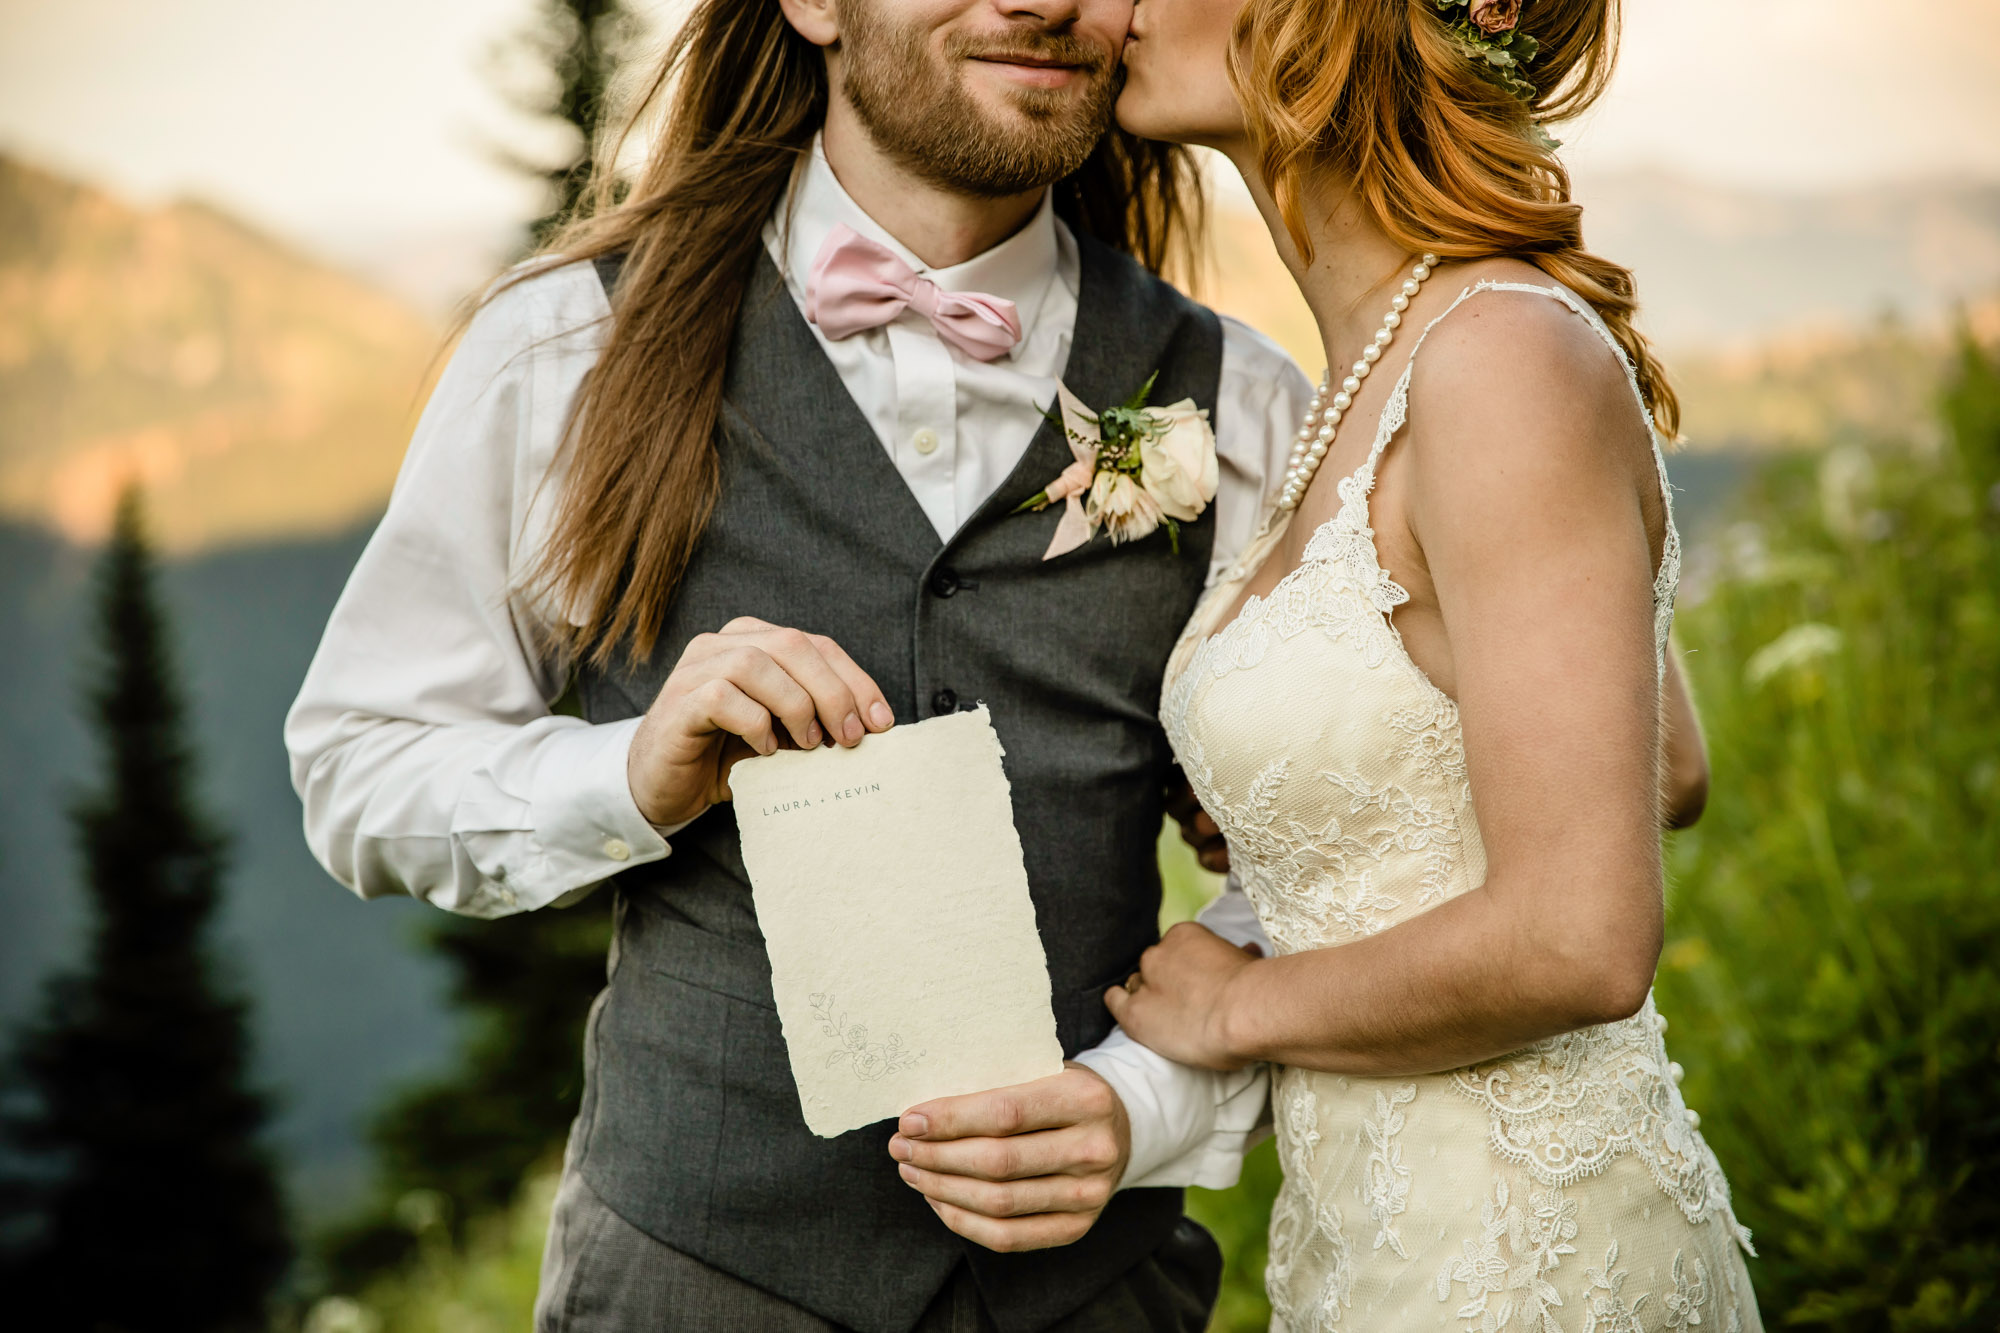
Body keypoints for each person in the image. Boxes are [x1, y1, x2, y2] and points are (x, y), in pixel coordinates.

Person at [284, 0, 1319, 1326]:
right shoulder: (568, 345)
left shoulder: (1241, 403)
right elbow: (358, 765)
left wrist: (1151, 1102)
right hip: (688, 1280)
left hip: (1098, 1293)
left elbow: (1349, 857)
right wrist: (628, 774)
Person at [1087, 0, 1763, 1326]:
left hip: (1530, 1262)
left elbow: (1583, 938)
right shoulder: (1374, 360)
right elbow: (1663, 762)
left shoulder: (1498, 356)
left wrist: (1243, 1007)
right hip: (1375, 1251)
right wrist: (1317, 801)